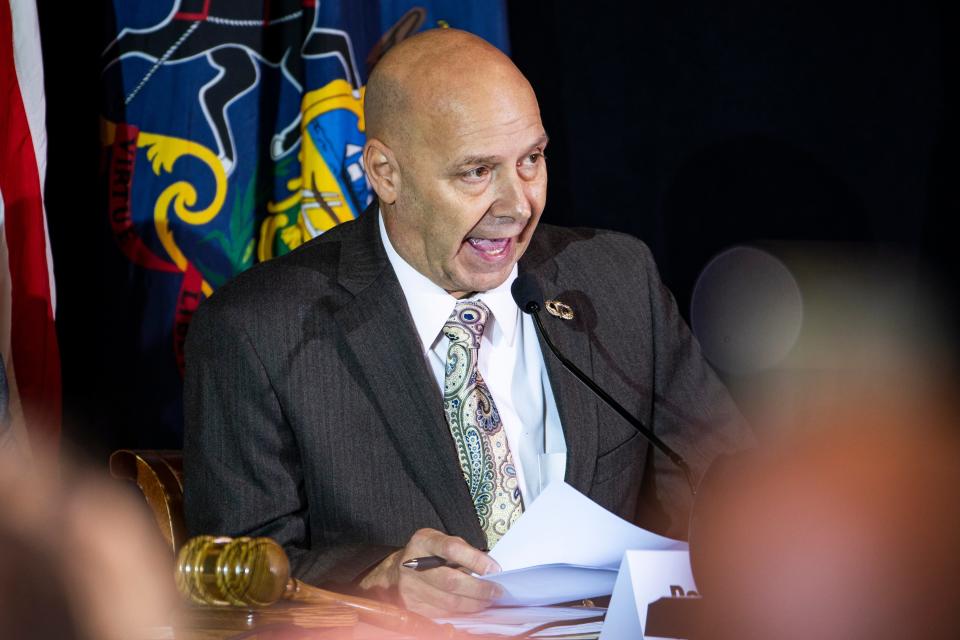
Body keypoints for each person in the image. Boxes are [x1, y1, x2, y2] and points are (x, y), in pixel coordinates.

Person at [184, 28, 749, 617]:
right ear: (385, 173)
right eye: (476, 172)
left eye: (531, 160)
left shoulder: (614, 282)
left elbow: (733, 490)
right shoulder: (260, 331)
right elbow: (241, 575)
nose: (518, 204)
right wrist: (377, 578)